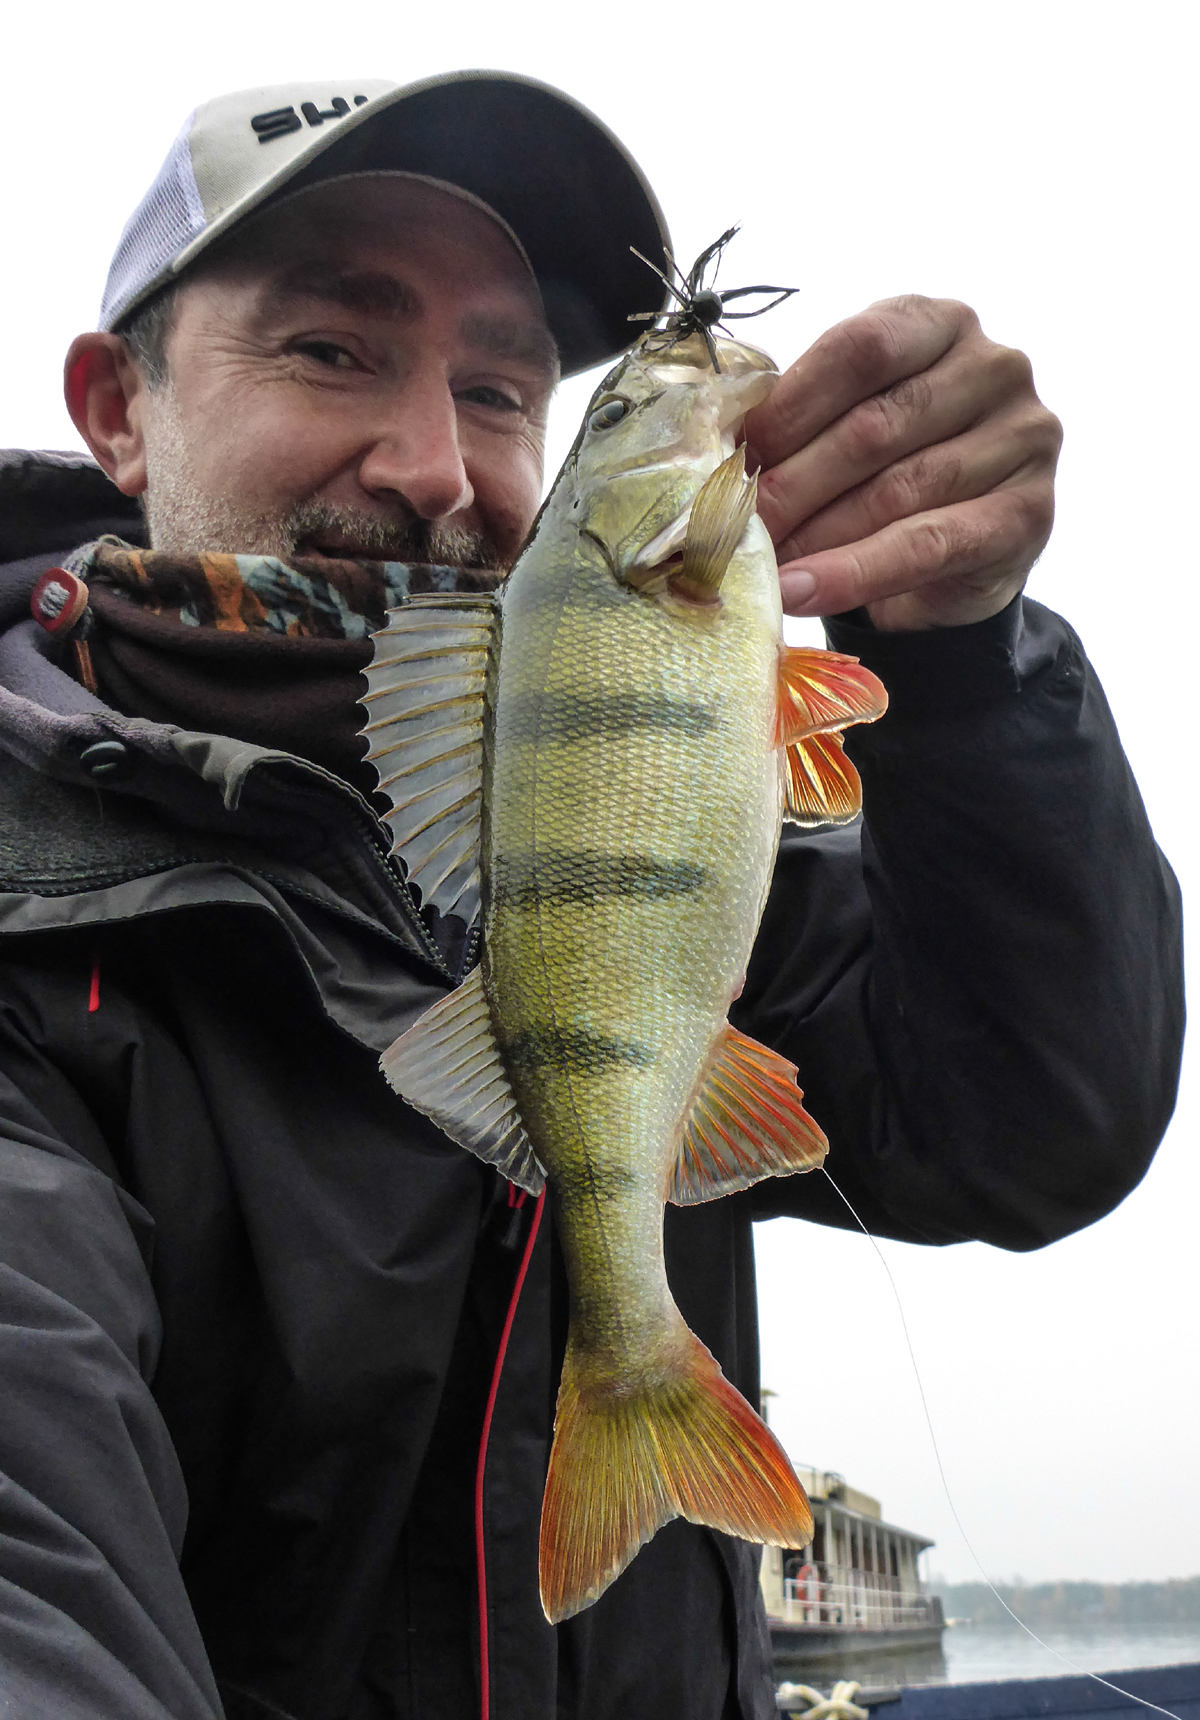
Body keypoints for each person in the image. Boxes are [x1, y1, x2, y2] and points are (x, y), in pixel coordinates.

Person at [0, 71, 1182, 1720]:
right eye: (332, 350)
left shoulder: (659, 827)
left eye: (502, 387)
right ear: (116, 410)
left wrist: (967, 656)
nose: (433, 464)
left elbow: (1036, 1117)